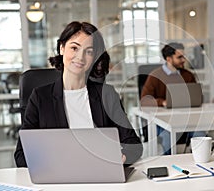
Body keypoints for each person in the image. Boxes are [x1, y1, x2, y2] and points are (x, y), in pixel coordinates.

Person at [14, 21, 143, 167]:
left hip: (100, 176)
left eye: (88, 51)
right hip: (58, 180)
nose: (80, 57)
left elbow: (134, 146)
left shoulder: (107, 95)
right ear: (62, 48)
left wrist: (121, 159)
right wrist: (55, 164)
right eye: (74, 48)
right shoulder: (40, 97)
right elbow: (21, 155)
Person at [141, 42, 205, 155]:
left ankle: (199, 164)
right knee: (167, 135)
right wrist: (163, 102)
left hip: (186, 119)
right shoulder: (155, 76)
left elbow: (197, 97)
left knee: (200, 134)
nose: (184, 60)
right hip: (163, 121)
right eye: (179, 57)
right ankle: (169, 164)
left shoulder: (188, 75)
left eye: (184, 56)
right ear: (169, 59)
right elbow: (145, 100)